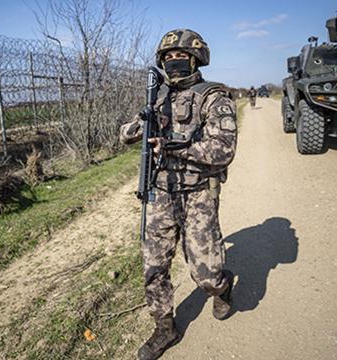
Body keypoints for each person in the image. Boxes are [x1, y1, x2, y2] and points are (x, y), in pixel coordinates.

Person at [119, 29, 237, 360]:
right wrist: (143, 124)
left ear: (196, 58)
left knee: (205, 274)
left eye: (180, 56)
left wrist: (176, 147)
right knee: (154, 265)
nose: (173, 62)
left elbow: (224, 149)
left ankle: (222, 287)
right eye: (167, 57)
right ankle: (164, 328)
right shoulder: (156, 98)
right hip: (161, 192)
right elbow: (125, 134)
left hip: (198, 192)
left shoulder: (213, 97)